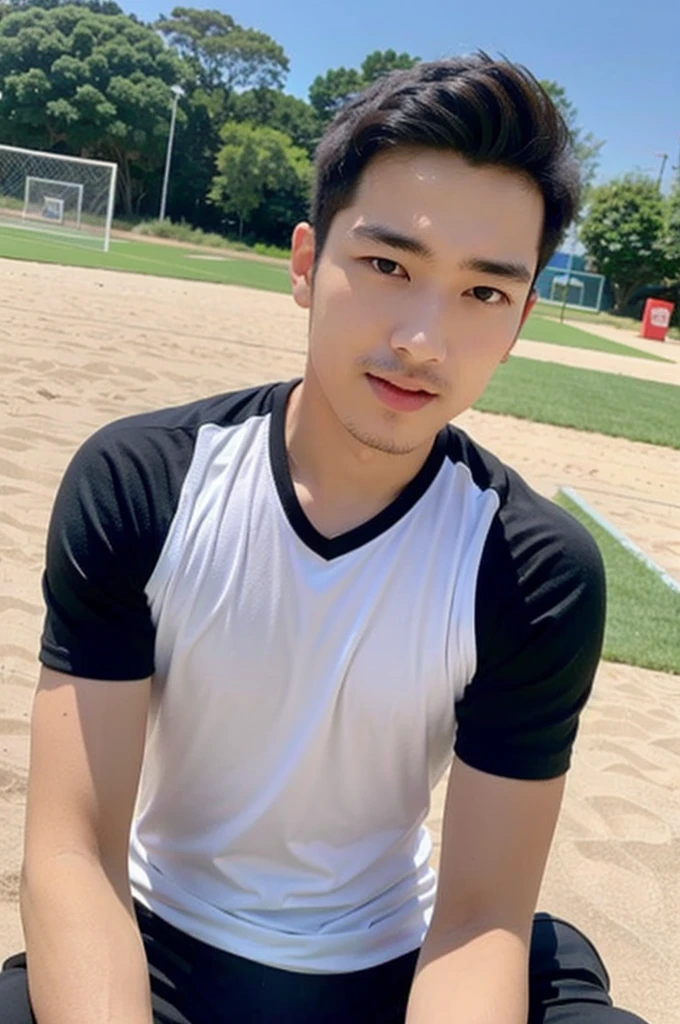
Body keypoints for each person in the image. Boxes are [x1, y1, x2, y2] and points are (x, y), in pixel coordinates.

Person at [0, 54, 648, 1024]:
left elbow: (477, 915)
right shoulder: (144, 484)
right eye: (387, 266)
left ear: (515, 322)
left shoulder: (531, 568)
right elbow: (71, 851)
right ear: (306, 265)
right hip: (158, 944)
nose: (423, 339)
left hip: (396, 961)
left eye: (482, 293)